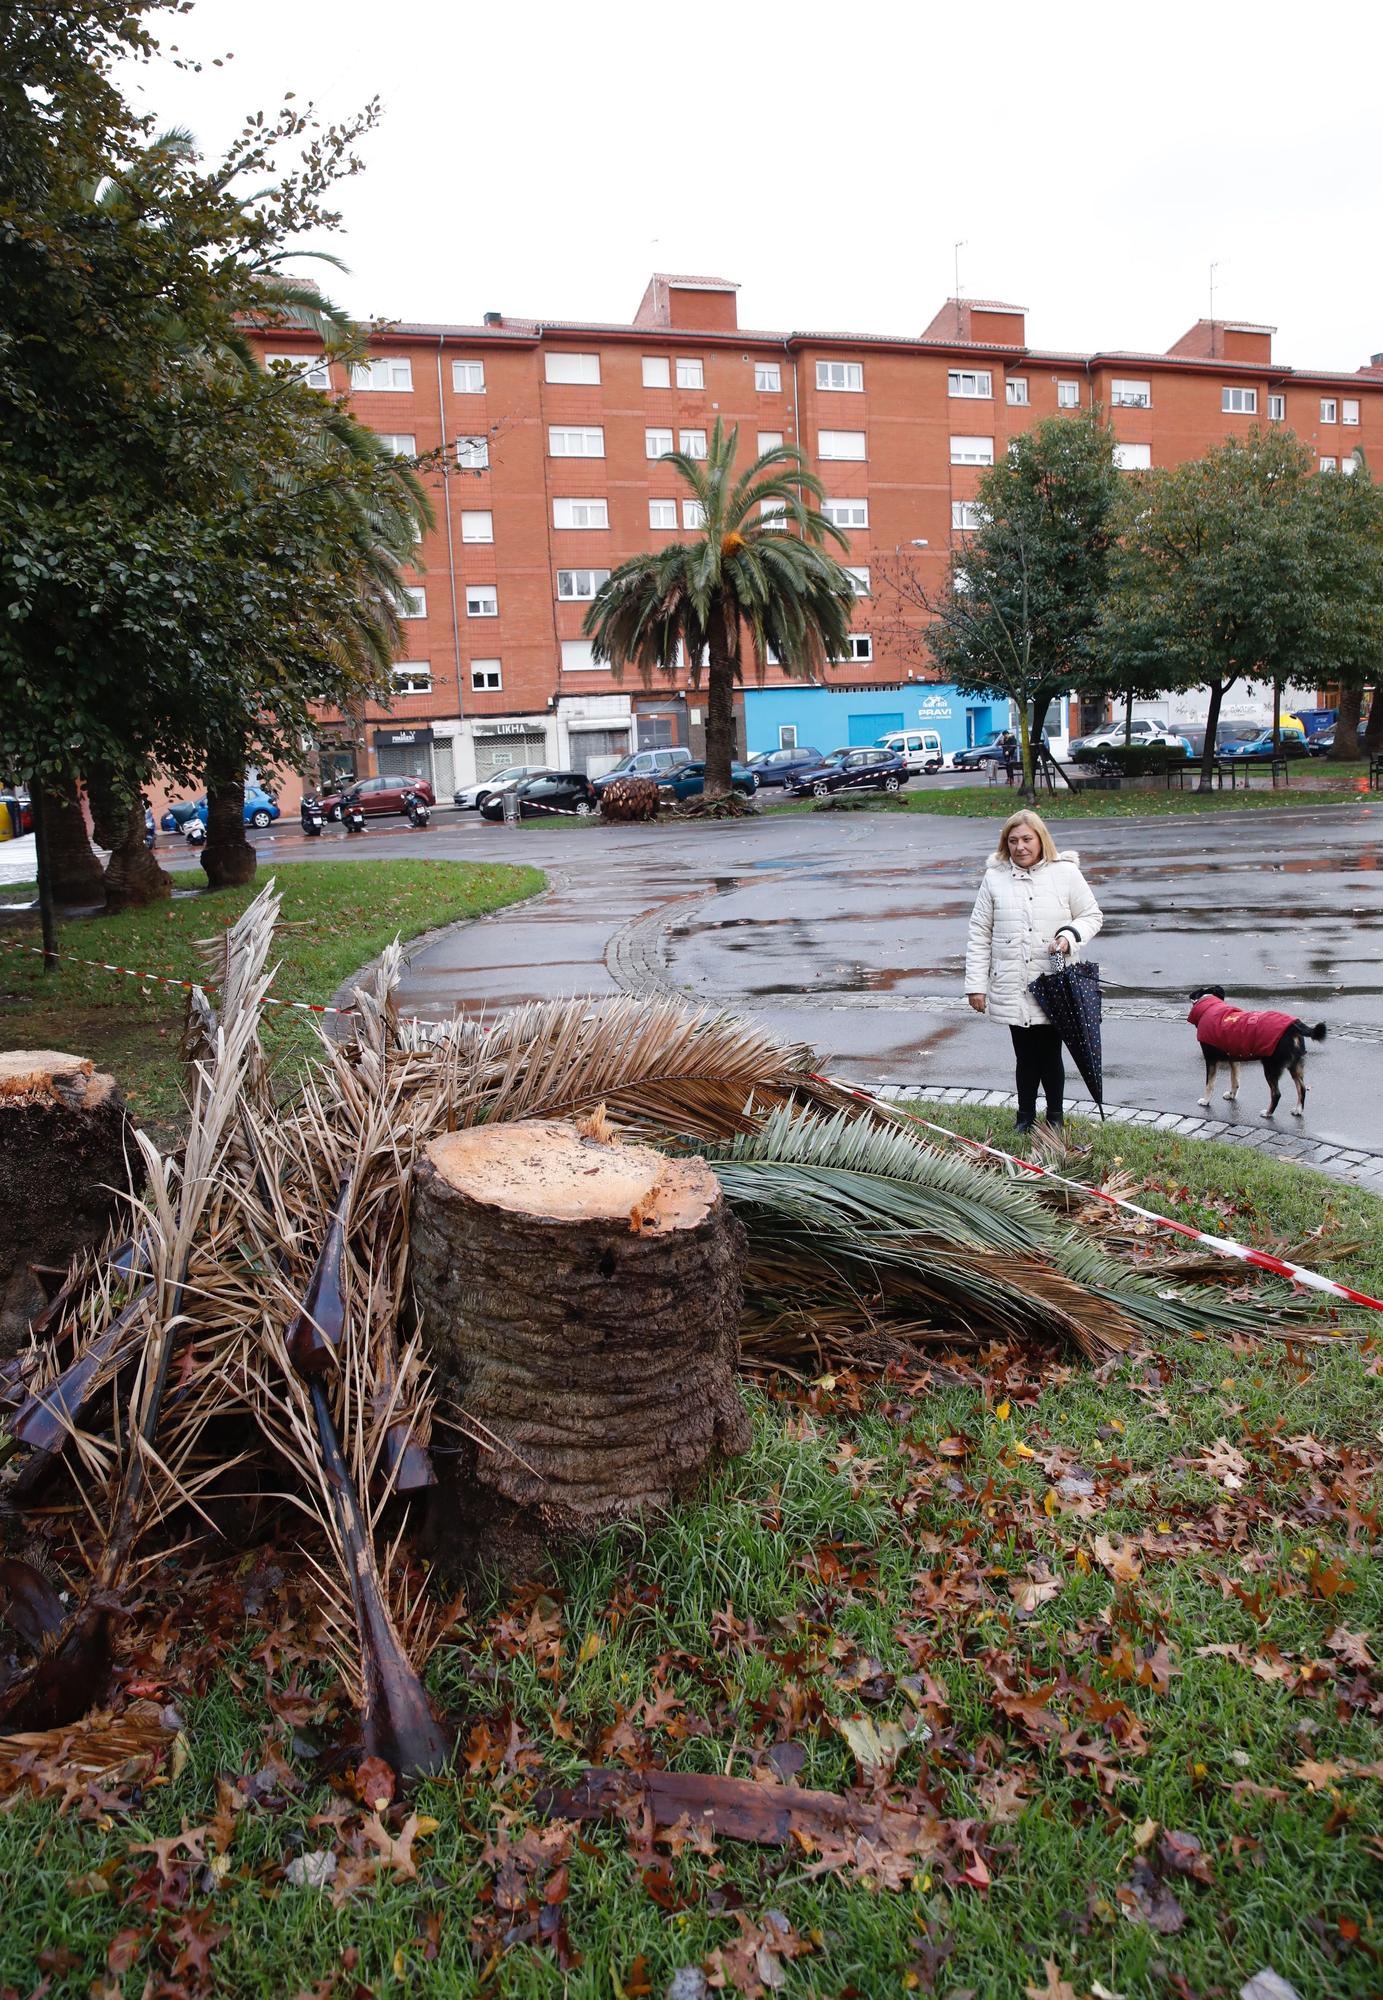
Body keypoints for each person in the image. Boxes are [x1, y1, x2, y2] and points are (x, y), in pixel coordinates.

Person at [964, 809, 1103, 1138]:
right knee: (1024, 1054)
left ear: (1041, 839)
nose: (1020, 846)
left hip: (1053, 983)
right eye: (1012, 841)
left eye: (1027, 839)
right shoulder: (994, 878)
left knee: (1051, 1053)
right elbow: (979, 933)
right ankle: (1024, 1116)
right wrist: (976, 986)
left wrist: (1068, 936)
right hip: (1012, 982)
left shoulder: (1065, 873)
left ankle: (1055, 1116)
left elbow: (1091, 915)